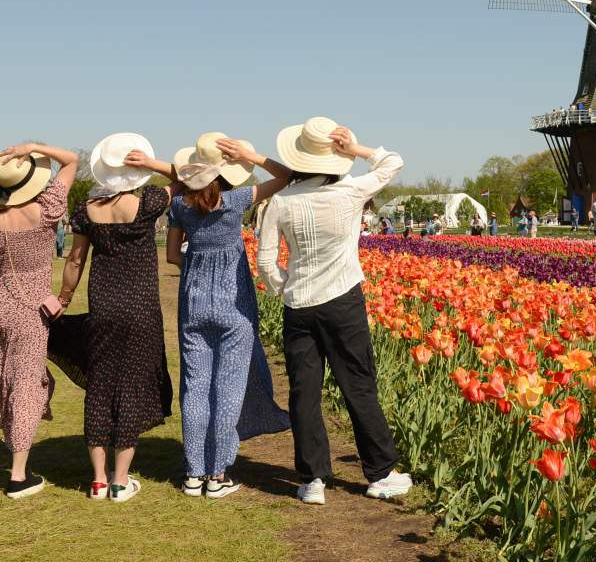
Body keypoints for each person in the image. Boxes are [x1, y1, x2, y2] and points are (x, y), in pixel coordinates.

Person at [257, 117, 412, 505]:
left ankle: (312, 480)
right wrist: (356, 149)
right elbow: (392, 161)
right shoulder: (350, 191)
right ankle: (379, 474)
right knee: (357, 385)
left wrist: (284, 288)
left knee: (304, 392)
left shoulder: (281, 200)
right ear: (333, 157)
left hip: (299, 305)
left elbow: (264, 260)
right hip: (342, 300)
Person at [167, 133, 290, 499]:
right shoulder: (236, 200)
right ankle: (217, 475)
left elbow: (173, 256)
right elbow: (285, 176)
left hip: (194, 305)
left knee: (195, 387)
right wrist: (252, 155)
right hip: (233, 306)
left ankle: (193, 473)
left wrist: (199, 261)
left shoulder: (180, 207)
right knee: (228, 389)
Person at [60, 133, 179, 502]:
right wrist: (150, 164)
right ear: (134, 170)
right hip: (140, 307)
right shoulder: (148, 204)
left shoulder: (87, 211)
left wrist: (64, 296)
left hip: (104, 306)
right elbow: (190, 175)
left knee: (99, 387)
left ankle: (97, 480)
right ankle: (120, 479)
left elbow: (75, 259)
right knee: (132, 386)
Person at [0, 141, 78, 498]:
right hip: (32, 312)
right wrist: (32, 146)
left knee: (6, 378)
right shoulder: (46, 210)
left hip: (2, 305)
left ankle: (13, 450)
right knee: (27, 384)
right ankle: (18, 475)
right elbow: (72, 160)